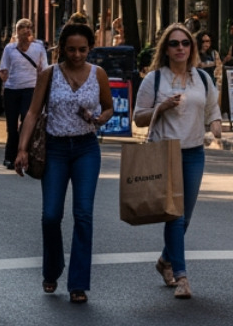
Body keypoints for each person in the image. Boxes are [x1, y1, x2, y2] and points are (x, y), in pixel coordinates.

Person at [14, 22, 114, 304]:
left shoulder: (99, 74)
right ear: (62, 48)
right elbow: (33, 113)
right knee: (50, 216)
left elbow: (109, 107)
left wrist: (99, 118)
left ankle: (78, 283)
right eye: (71, 49)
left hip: (86, 149)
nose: (77, 55)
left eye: (83, 49)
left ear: (90, 48)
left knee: (83, 214)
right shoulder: (49, 74)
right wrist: (22, 149)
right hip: (55, 149)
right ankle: (52, 268)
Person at [133, 24, 222, 300]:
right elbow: (138, 117)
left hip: (194, 153)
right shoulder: (155, 80)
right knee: (175, 215)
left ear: (192, 48)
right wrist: (162, 107)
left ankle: (164, 260)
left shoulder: (202, 79)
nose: (181, 48)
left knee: (185, 218)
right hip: (165, 153)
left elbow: (212, 109)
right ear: (166, 49)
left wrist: (217, 126)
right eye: (174, 44)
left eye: (185, 43)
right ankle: (182, 277)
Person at [0, 18, 48, 171]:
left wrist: (41, 88)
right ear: (17, 32)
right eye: (22, 29)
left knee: (26, 122)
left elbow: (44, 69)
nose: (26, 32)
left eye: (28, 29)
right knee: (11, 126)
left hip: (30, 89)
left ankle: (25, 155)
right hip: (12, 90)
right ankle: (10, 157)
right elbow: (3, 69)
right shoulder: (10, 49)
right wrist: (6, 79)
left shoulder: (38, 49)